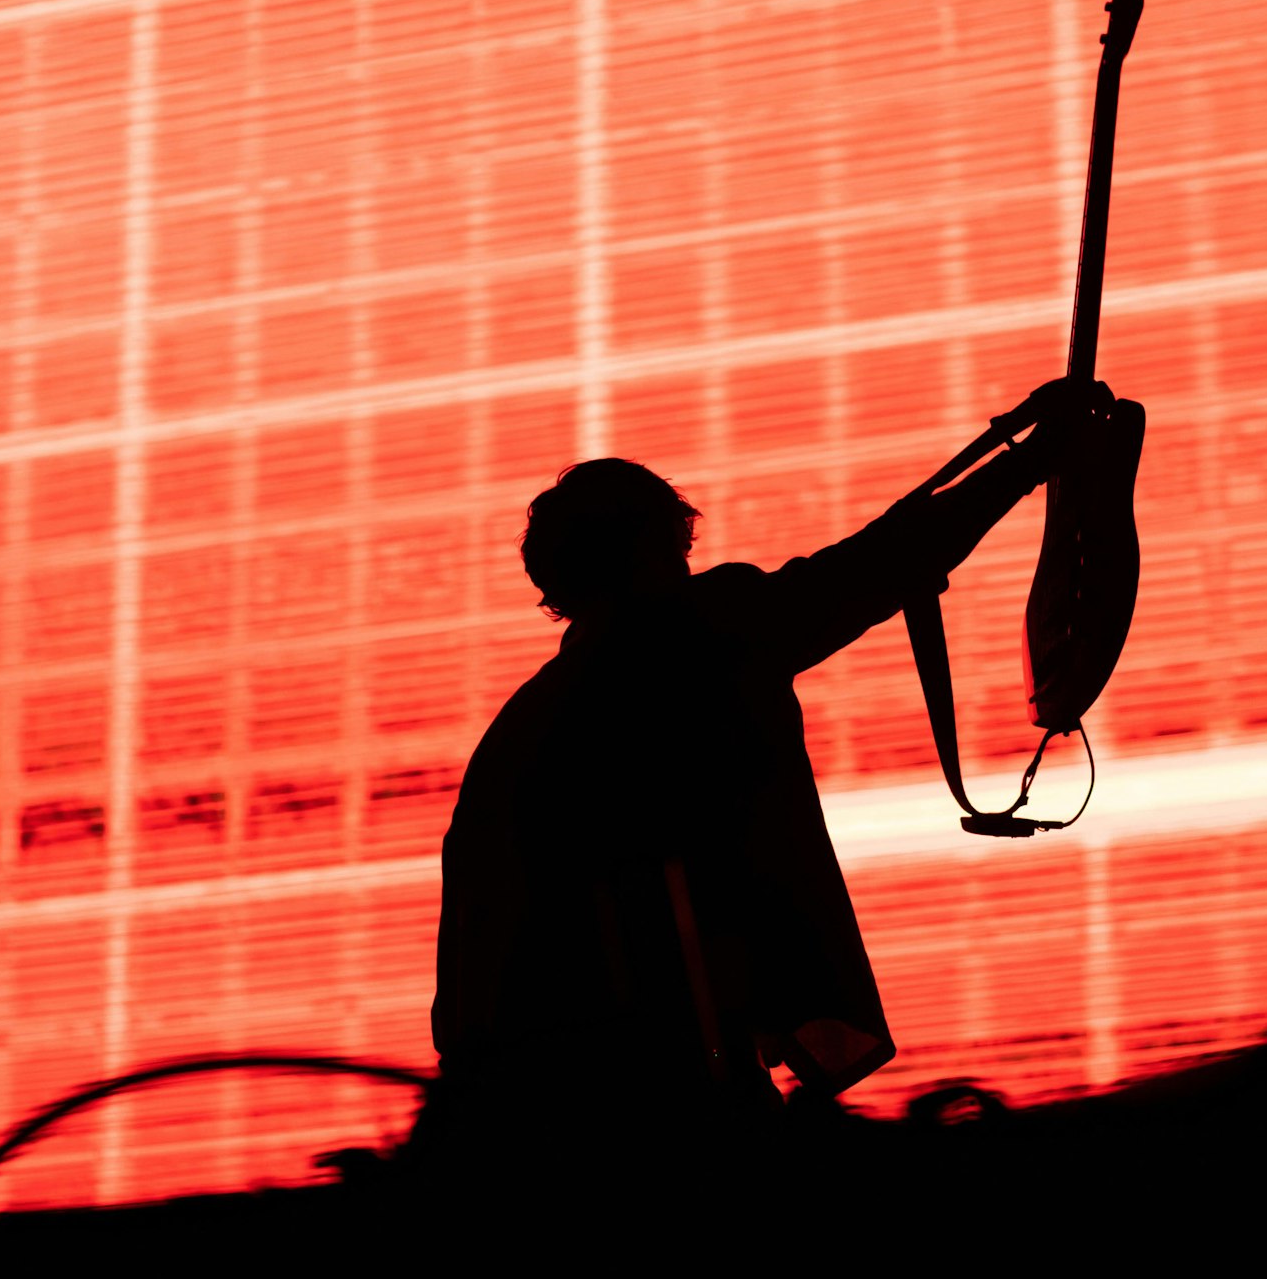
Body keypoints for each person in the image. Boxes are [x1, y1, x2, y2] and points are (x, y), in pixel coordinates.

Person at [421, 376, 1109, 1187]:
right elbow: (879, 564)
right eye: (676, 551)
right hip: (658, 1064)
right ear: (651, 551)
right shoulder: (693, 635)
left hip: (551, 1095)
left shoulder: (521, 729)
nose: (685, 566)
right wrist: (1029, 463)